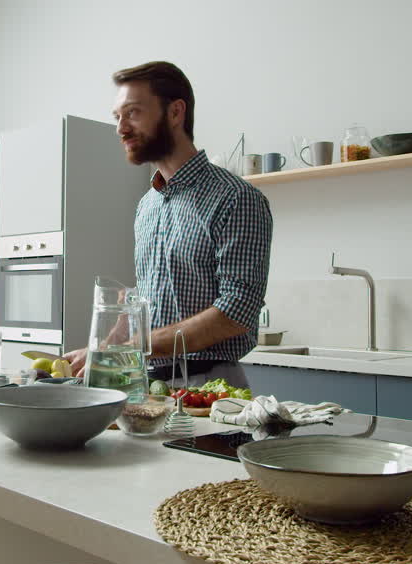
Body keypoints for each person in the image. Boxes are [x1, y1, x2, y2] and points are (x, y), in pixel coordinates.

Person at [67, 61, 273, 389]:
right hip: (146, 386)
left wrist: (130, 348)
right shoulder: (147, 206)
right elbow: (149, 297)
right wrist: (103, 349)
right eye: (117, 117)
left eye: (133, 113)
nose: (121, 129)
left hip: (210, 389)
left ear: (175, 113)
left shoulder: (235, 198)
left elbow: (237, 311)